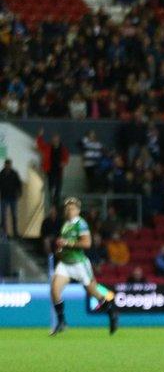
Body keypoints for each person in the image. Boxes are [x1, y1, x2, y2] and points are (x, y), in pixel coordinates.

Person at [49, 197, 119, 335]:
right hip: (65, 263)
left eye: (73, 208)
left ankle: (111, 312)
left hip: (79, 264)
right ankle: (62, 322)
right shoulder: (66, 225)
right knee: (54, 290)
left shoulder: (81, 224)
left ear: (78, 210)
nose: (69, 210)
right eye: (68, 208)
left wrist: (68, 243)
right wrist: (60, 249)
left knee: (94, 293)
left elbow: (87, 243)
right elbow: (64, 244)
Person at [37, 130, 68, 207]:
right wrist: (40, 136)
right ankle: (52, 202)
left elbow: (66, 158)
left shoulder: (62, 148)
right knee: (51, 187)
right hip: (50, 170)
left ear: (58, 140)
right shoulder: (48, 147)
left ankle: (56, 203)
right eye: (54, 139)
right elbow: (40, 145)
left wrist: (64, 163)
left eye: (56, 139)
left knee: (58, 188)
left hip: (59, 171)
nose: (55, 140)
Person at [0, 159, 22, 239]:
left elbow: (19, 184)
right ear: (5, 165)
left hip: (13, 197)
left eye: (9, 165)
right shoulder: (1, 174)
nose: (8, 166)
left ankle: (15, 232)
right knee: (3, 216)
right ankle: (4, 233)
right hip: (4, 197)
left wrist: (20, 192)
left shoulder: (14, 173)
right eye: (7, 165)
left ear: (10, 165)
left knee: (14, 215)